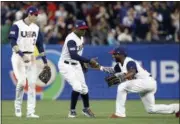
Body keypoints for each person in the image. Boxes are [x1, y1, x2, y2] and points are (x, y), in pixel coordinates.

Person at [100, 47, 180, 118]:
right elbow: (112, 70)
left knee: (122, 86)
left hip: (146, 82)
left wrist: (122, 78)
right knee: (151, 109)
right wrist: (99, 67)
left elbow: (132, 72)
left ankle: (120, 113)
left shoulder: (129, 61)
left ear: (121, 55)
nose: (113, 56)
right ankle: (177, 108)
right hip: (146, 84)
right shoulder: (119, 65)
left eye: (114, 54)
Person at [8, 6, 48, 118]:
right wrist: (21, 55)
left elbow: (40, 46)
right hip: (18, 56)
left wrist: (45, 62)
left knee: (32, 85)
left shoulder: (36, 28)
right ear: (29, 14)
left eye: (37, 14)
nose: (36, 16)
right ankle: (18, 106)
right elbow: (12, 42)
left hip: (31, 57)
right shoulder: (17, 25)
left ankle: (30, 112)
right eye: (35, 14)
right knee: (21, 82)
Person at [58, 20, 98, 118]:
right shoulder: (71, 39)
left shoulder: (81, 38)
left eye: (84, 29)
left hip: (76, 64)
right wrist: (88, 61)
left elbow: (78, 55)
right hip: (66, 65)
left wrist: (82, 63)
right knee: (77, 87)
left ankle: (86, 109)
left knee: (84, 88)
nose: (83, 31)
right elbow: (73, 55)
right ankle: (72, 111)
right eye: (81, 29)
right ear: (76, 29)